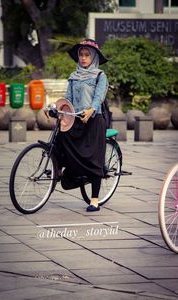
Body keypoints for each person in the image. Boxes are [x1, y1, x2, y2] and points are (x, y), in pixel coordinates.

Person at [56, 38, 108, 212]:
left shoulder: (100, 76)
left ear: (93, 57)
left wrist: (91, 110)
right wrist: (56, 109)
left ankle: (94, 199)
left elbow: (99, 97)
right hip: (76, 119)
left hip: (94, 121)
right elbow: (67, 99)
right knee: (60, 136)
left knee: (94, 159)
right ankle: (60, 170)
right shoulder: (73, 77)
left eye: (87, 55)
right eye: (81, 55)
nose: (83, 58)